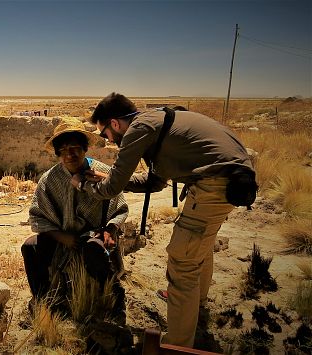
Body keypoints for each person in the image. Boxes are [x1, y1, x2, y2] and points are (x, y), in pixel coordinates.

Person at [78, 92, 255, 348]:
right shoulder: (157, 121)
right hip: (233, 179)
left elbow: (111, 189)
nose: (108, 139)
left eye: (105, 133)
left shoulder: (140, 128)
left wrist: (85, 184)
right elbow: (155, 182)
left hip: (214, 183)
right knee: (199, 246)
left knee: (183, 262)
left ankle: (178, 346)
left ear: (115, 124)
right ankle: (196, 304)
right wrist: (110, 181)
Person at [22, 117, 128, 313]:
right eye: (63, 150)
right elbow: (37, 216)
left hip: (93, 235)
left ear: (84, 148)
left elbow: (119, 207)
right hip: (62, 236)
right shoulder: (50, 179)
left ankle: (113, 296)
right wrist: (62, 237)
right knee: (30, 247)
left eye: (74, 148)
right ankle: (43, 299)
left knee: (94, 250)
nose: (69, 154)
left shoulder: (102, 173)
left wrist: (109, 230)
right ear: (57, 153)